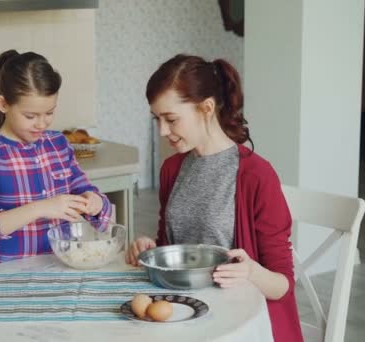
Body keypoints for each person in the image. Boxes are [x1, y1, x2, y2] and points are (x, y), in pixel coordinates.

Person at [125, 54, 303, 341]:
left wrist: (251, 272)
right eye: (156, 119)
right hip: (186, 314)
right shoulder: (173, 168)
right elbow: (176, 249)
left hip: (242, 323)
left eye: (171, 119)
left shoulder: (256, 175)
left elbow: (283, 285)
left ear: (206, 108)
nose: (162, 131)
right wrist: (152, 249)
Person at [0, 50, 112, 269]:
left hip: (57, 271)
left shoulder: (58, 144)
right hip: (5, 278)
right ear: (3, 104)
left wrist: (94, 202)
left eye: (49, 113)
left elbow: (91, 196)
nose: (41, 124)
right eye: (30, 116)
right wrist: (39, 208)